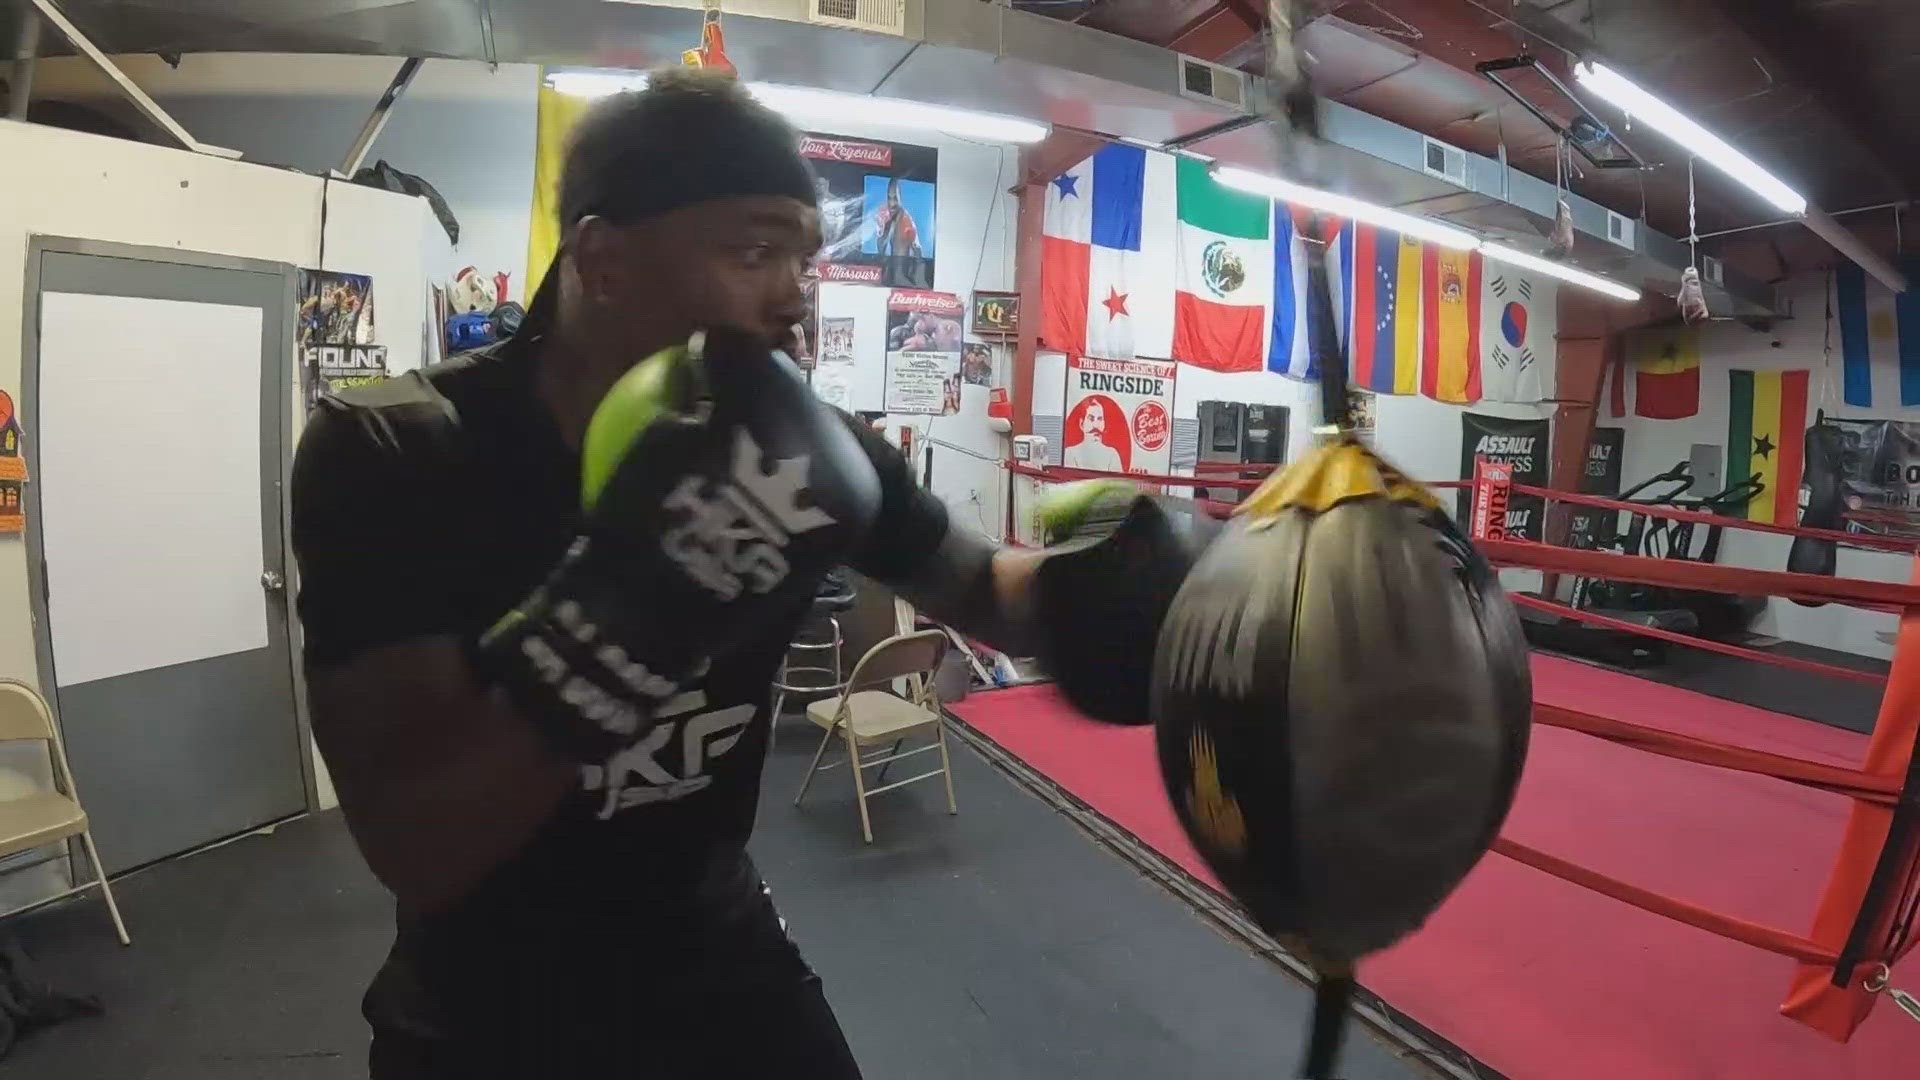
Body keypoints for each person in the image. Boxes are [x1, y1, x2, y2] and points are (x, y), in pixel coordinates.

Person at [291, 69, 1182, 1079]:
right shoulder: (403, 455)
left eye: (805, 258)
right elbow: (419, 844)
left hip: (711, 945)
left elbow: (991, 597)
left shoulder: (805, 447)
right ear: (603, 259)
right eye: (754, 249)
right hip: (489, 997)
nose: (796, 294)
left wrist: (1167, 593)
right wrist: (648, 595)